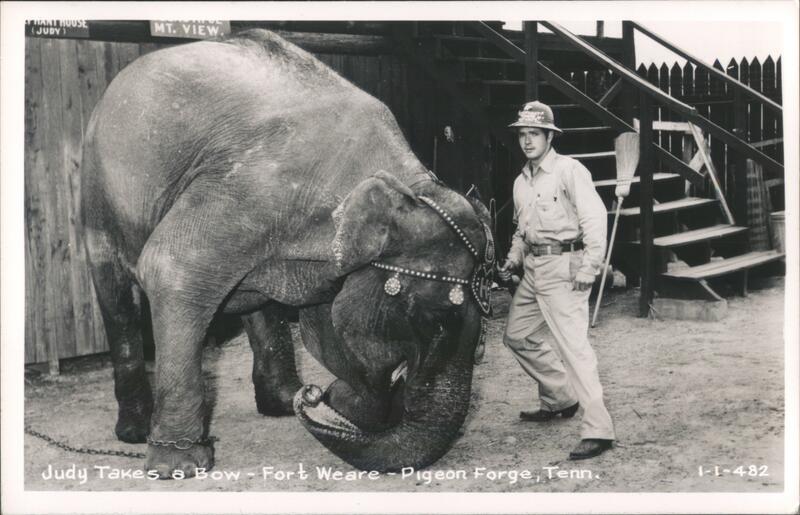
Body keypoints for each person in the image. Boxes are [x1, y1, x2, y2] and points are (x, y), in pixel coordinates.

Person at [498, 101, 615, 460]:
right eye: (522, 134)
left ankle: (598, 430)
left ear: (550, 136)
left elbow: (595, 219)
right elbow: (522, 231)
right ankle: (560, 397)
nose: (527, 141)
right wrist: (514, 257)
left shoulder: (569, 170)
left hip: (565, 267)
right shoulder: (521, 182)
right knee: (517, 335)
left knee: (574, 349)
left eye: (534, 133)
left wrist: (589, 267)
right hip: (534, 269)